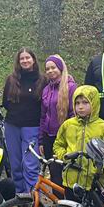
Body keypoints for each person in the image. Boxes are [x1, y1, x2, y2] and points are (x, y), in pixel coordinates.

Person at [2, 48, 44, 197]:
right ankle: (20, 196)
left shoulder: (42, 80)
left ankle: (33, 197)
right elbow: (5, 102)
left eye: (28, 58)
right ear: (18, 62)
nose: (25, 61)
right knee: (15, 164)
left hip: (32, 127)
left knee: (30, 165)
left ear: (33, 60)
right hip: (12, 125)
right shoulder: (11, 79)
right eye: (22, 59)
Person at [38, 54, 77, 188]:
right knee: (54, 173)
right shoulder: (46, 90)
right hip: (49, 137)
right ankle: (57, 206)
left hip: (64, 138)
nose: (50, 71)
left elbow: (74, 114)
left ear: (60, 68)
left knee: (65, 173)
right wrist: (41, 140)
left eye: (53, 67)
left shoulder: (71, 87)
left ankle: (68, 204)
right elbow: (43, 116)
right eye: (47, 69)